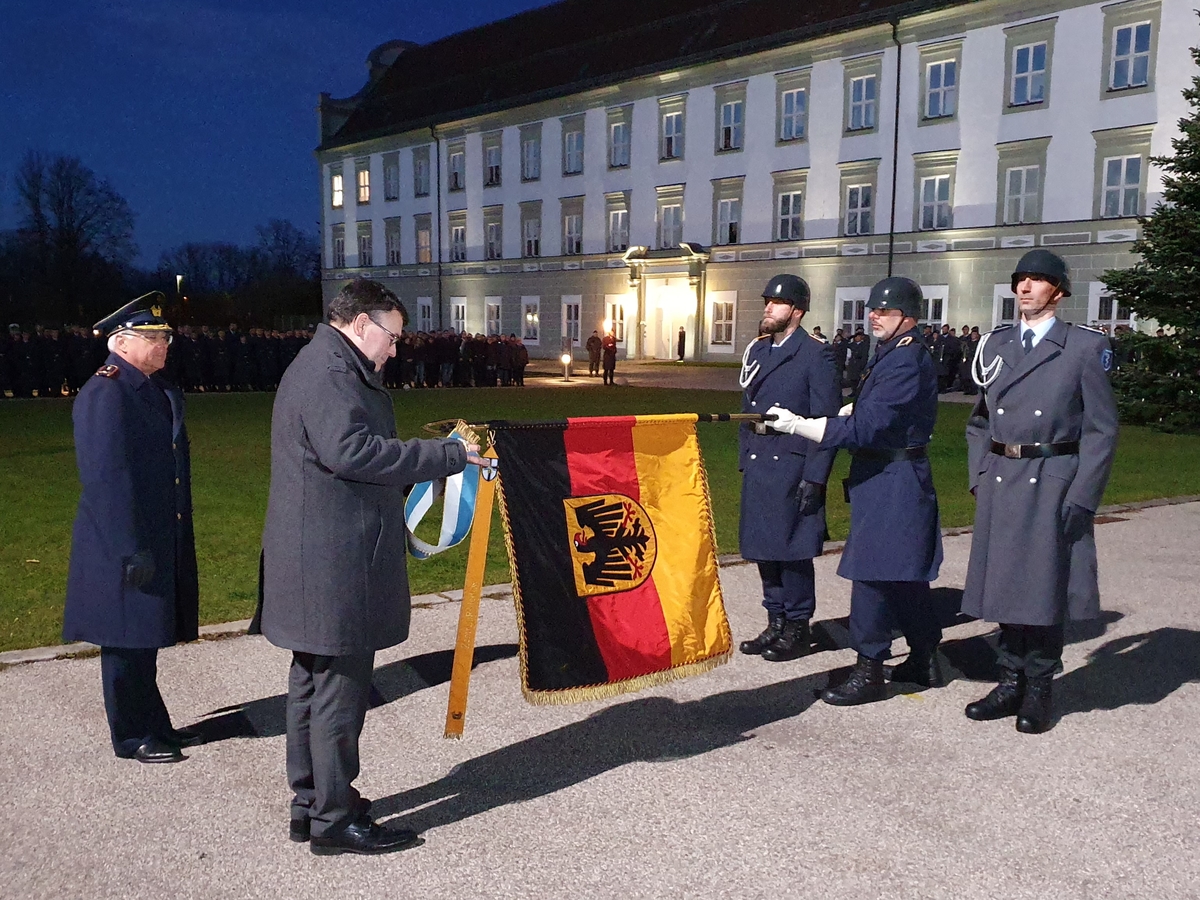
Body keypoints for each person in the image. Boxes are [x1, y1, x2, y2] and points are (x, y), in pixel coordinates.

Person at [257, 278, 480, 856]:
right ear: (361, 325)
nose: (395, 349)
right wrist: (448, 454)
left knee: (311, 682)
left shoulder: (323, 365)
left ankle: (313, 802)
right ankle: (333, 819)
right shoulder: (331, 374)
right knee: (339, 691)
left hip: (319, 556)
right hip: (335, 562)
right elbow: (352, 452)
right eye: (392, 337)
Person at [962, 249, 1118, 734]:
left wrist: (1082, 495)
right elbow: (979, 422)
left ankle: (1040, 686)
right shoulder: (996, 345)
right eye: (1020, 280)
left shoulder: (1083, 348)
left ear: (1059, 290)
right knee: (1006, 586)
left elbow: (1101, 430)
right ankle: (1009, 680)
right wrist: (979, 475)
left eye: (1037, 280)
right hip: (1003, 479)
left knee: (1043, 590)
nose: (1024, 288)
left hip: (1052, 480)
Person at [766, 277, 943, 705]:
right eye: (873, 309)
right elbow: (874, 410)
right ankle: (925, 657)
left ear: (909, 318)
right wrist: (853, 408)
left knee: (871, 573)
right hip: (890, 475)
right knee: (903, 576)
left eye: (885, 311)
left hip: (893, 478)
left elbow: (868, 427)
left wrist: (799, 424)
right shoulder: (892, 352)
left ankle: (870, 668)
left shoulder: (903, 358)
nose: (874, 316)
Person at [62, 293, 201, 764]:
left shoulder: (151, 386)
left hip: (153, 534)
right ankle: (131, 734)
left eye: (166, 337)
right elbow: (105, 480)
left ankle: (153, 722)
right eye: (154, 337)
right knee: (124, 640)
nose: (164, 344)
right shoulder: (106, 392)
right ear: (121, 342)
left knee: (144, 637)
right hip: (122, 543)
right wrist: (129, 550)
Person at [737, 274, 840, 661]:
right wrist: (745, 455)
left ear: (796, 311)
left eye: (777, 303)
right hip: (762, 459)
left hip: (794, 463)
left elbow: (827, 419)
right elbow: (747, 409)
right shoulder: (759, 351)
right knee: (764, 548)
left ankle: (798, 626)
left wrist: (816, 475)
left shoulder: (815, 354)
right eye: (767, 301)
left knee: (792, 551)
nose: (768, 307)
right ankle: (775, 621)